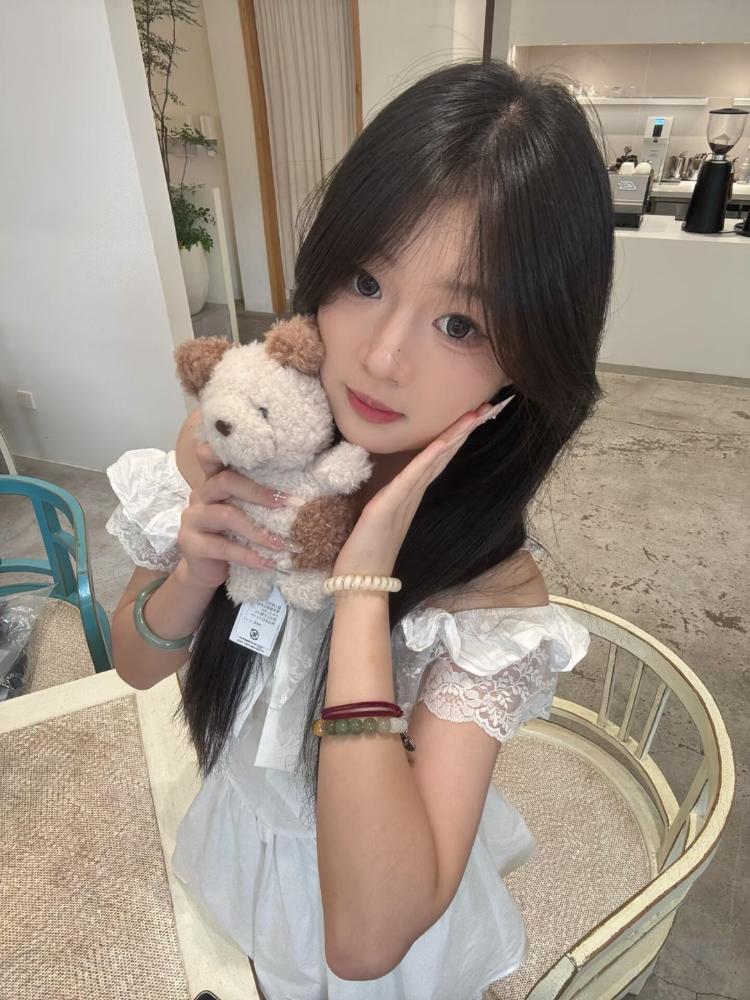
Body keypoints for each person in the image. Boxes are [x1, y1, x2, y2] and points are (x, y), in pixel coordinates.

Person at [106, 59, 613, 1000]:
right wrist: (192, 572)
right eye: (365, 279)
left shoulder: (488, 599)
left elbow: (369, 937)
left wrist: (363, 588)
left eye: (460, 324)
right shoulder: (240, 449)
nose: (381, 358)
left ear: (531, 356)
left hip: (377, 883)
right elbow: (135, 666)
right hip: (246, 843)